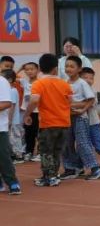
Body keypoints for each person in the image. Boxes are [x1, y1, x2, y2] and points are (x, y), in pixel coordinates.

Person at [25, 53, 72, 187]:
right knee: (57, 151)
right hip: (64, 122)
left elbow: (34, 100)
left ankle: (48, 177)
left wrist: (27, 114)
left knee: (46, 151)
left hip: (48, 123)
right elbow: (70, 101)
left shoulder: (39, 84)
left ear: (40, 68)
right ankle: (55, 174)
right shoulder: (64, 84)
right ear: (55, 69)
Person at [58, 56, 100, 180]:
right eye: (67, 66)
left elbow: (91, 99)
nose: (68, 69)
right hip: (67, 118)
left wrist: (82, 109)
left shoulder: (82, 83)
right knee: (66, 143)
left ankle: (95, 168)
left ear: (79, 69)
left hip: (80, 118)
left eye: (72, 66)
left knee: (82, 143)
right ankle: (71, 168)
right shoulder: (64, 83)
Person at [0, 70, 20, 195]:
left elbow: (6, 103)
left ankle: (12, 182)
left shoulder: (2, 81)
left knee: (3, 156)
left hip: (0, 127)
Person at [18, 62, 40, 162]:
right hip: (27, 112)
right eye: (27, 69)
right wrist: (20, 68)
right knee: (28, 133)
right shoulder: (24, 82)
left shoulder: (40, 83)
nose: (29, 71)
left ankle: (40, 153)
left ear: (38, 70)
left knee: (39, 133)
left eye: (32, 69)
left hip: (38, 112)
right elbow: (10, 77)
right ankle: (29, 152)